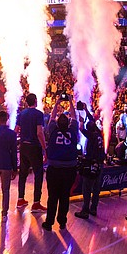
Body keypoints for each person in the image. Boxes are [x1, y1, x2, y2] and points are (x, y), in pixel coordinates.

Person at [42, 96, 79, 232]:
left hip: (54, 169)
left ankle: (49, 222)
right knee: (65, 197)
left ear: (57, 123)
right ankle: (62, 222)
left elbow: (52, 117)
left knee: (52, 197)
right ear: (68, 123)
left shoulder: (53, 130)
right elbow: (74, 117)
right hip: (69, 170)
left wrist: (57, 103)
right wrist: (70, 101)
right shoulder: (73, 130)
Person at [16, 93, 47, 213]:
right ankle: (36, 203)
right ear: (35, 101)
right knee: (38, 174)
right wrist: (45, 148)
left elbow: (16, 130)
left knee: (23, 173)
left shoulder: (21, 114)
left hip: (23, 146)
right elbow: (39, 132)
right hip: (34, 147)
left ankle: (20, 199)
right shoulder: (39, 114)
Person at [75, 105, 105, 219]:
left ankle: (85, 210)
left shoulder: (91, 136)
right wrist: (86, 110)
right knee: (96, 189)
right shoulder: (97, 133)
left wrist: (81, 121)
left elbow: (81, 129)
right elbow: (92, 121)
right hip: (100, 164)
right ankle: (93, 209)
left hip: (92, 164)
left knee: (87, 187)